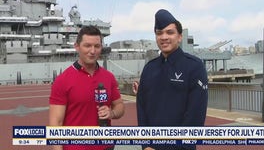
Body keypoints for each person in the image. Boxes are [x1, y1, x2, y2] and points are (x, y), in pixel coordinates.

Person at [136, 9, 208, 150]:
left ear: (179, 37)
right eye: (159, 33)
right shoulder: (149, 68)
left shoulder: (194, 66)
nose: (164, 37)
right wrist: (145, 145)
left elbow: (195, 114)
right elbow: (142, 109)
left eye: (170, 32)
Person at [49, 25, 125, 150]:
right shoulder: (62, 80)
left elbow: (120, 106)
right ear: (77, 47)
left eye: (97, 46)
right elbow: (55, 124)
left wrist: (112, 113)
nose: (93, 51)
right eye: (87, 45)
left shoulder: (109, 77)